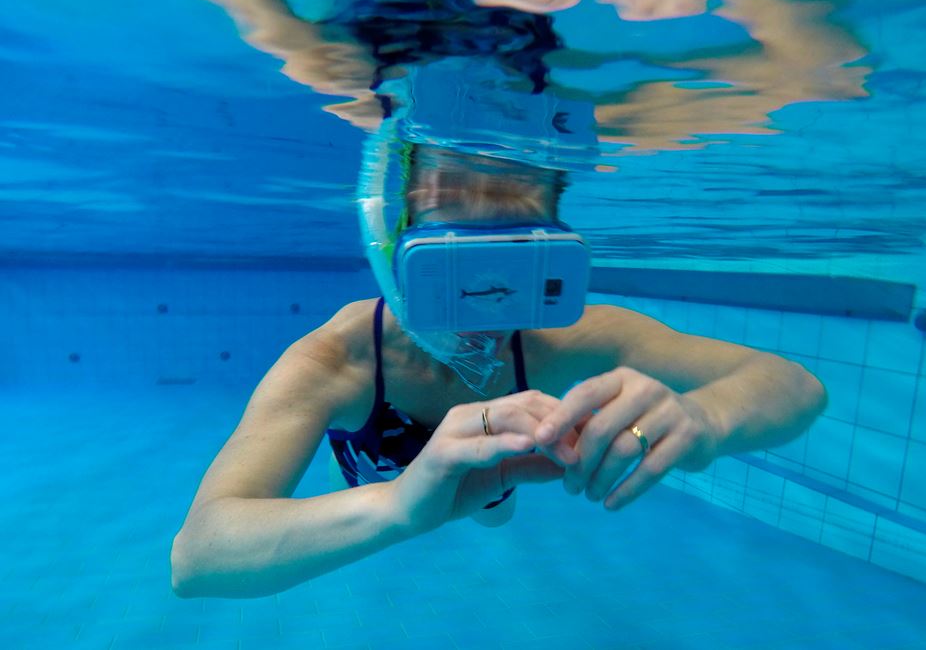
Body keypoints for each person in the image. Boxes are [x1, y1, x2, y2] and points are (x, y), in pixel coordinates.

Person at [170, 144, 827, 599]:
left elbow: (797, 385)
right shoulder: (336, 359)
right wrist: (397, 504)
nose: (484, 312)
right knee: (470, 507)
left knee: (490, 512)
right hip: (387, 471)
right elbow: (198, 556)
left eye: (515, 269)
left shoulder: (559, 334)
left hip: (495, 479)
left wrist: (704, 417)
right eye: (450, 273)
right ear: (393, 253)